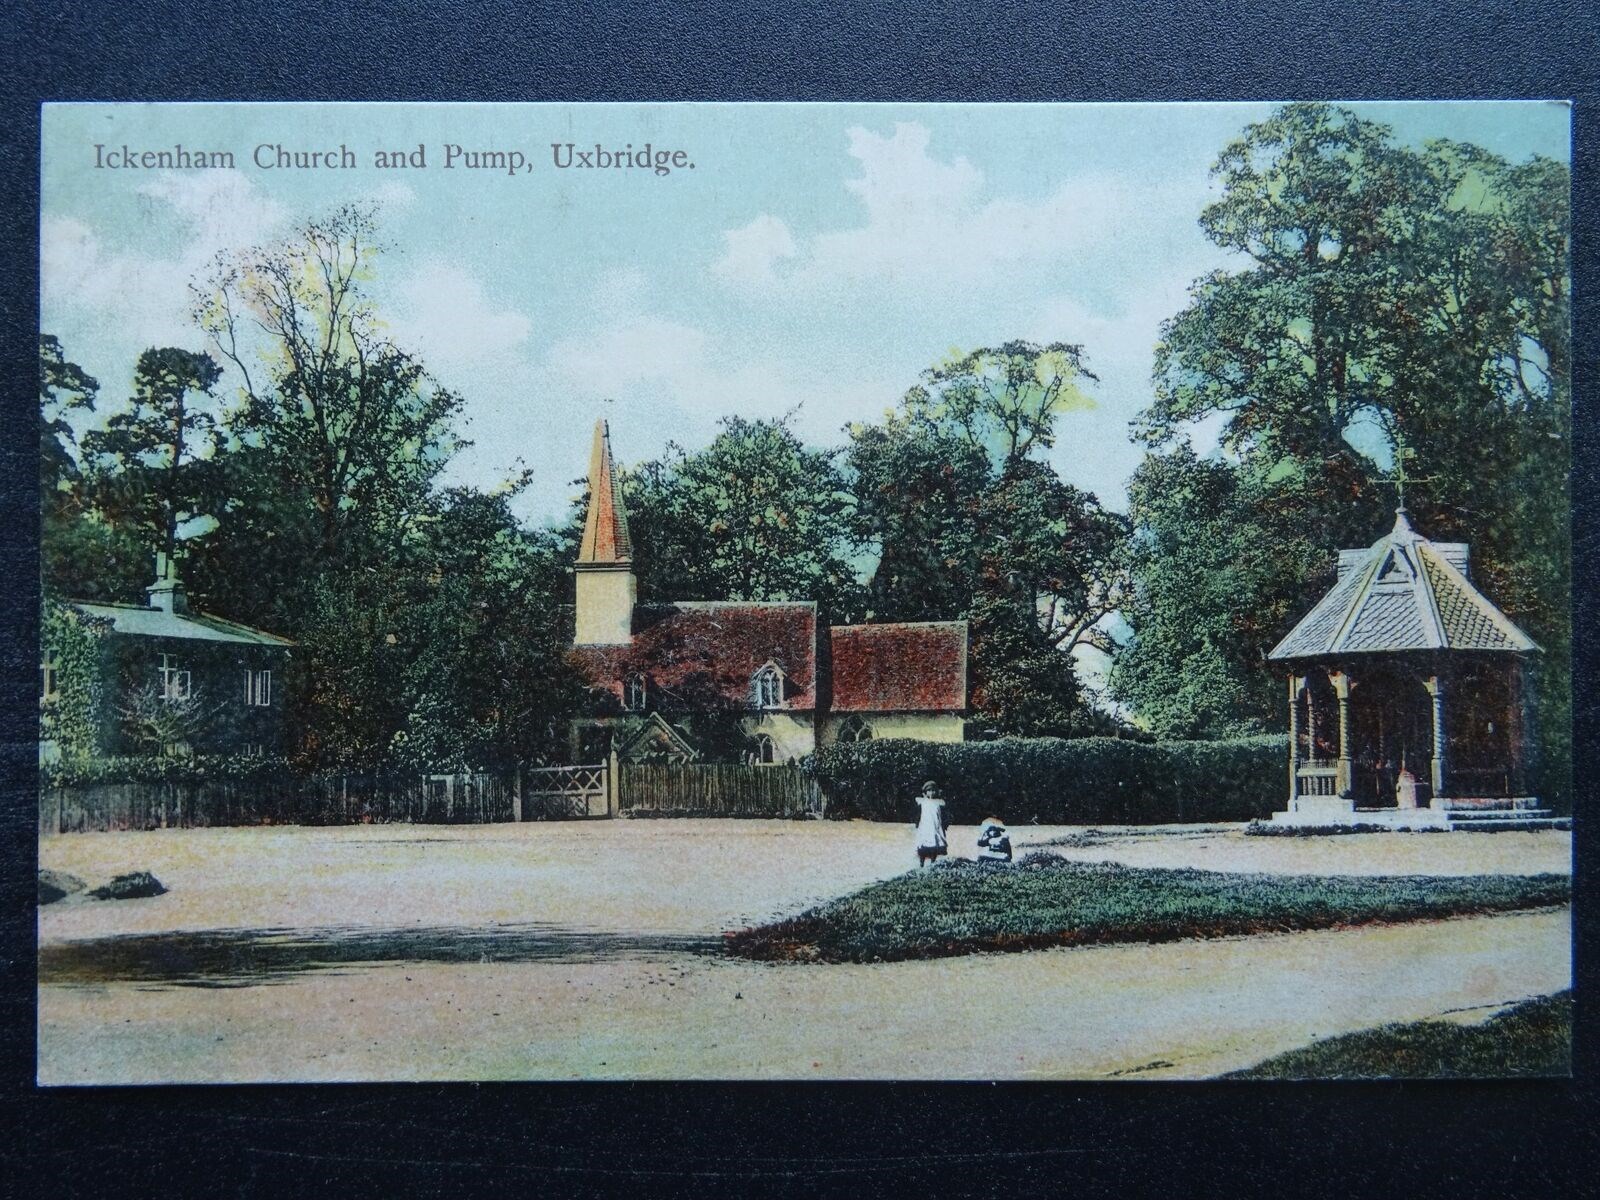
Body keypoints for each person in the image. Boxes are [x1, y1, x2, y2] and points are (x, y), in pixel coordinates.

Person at [913, 780, 948, 867]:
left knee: (934, 844)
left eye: (933, 790)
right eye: (929, 791)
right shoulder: (923, 801)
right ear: (925, 792)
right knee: (923, 845)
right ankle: (921, 863)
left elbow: (943, 815)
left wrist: (944, 825)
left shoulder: (939, 802)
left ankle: (933, 863)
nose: (931, 793)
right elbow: (916, 801)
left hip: (935, 826)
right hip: (925, 826)